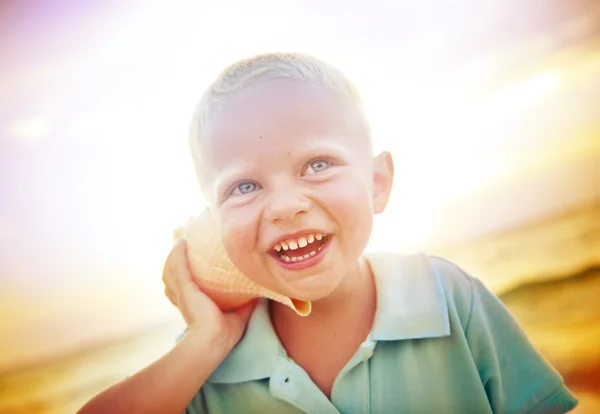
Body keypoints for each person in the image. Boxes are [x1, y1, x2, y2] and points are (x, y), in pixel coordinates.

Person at [78, 52, 578, 414]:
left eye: (318, 164)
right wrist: (208, 339)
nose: (287, 206)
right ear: (211, 218)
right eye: (244, 185)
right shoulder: (204, 372)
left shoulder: (448, 298)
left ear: (377, 183)